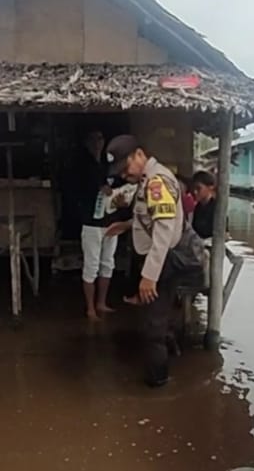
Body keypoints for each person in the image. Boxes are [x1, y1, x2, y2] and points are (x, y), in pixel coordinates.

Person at [104, 135, 204, 387]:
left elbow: (164, 231)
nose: (124, 174)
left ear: (139, 154)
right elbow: (151, 217)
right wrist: (127, 225)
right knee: (156, 318)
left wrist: (150, 276)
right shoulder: (148, 179)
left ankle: (158, 383)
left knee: (153, 328)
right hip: (159, 261)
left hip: (163, 263)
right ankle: (169, 355)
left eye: (125, 167)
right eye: (120, 171)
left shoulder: (156, 182)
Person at [73, 129, 118, 320]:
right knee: (91, 265)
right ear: (87, 142)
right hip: (91, 221)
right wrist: (99, 189)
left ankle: (101, 302)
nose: (97, 142)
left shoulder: (108, 164)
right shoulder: (82, 165)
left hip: (109, 220)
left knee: (108, 263)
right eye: (93, 139)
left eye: (100, 138)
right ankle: (90, 308)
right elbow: (78, 189)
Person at [191, 170, 217, 240]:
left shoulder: (217, 208)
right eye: (194, 188)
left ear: (210, 188)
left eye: (199, 188)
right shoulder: (198, 207)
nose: (195, 192)